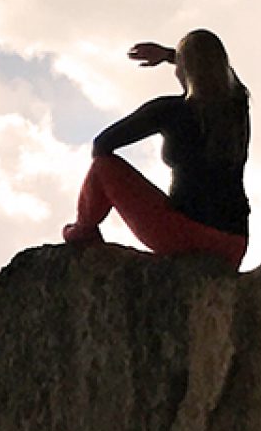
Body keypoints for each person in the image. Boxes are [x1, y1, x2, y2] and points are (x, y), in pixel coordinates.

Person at [62, 29, 250, 270]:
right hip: (234, 245)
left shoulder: (169, 111)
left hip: (185, 234)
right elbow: (224, 73)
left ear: (182, 69)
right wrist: (172, 55)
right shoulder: (238, 106)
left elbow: (102, 145)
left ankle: (84, 230)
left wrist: (174, 56)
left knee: (103, 167)